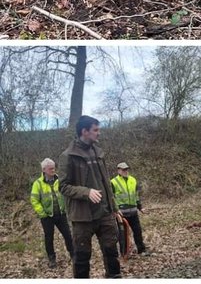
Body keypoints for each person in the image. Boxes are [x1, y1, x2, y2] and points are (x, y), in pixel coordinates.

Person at [59, 115, 122, 280]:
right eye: (95, 130)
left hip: (105, 214)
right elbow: (63, 186)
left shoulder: (98, 152)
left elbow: (106, 183)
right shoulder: (68, 156)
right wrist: (86, 192)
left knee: (111, 253)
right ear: (84, 131)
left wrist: (114, 208)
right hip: (82, 218)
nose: (98, 133)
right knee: (81, 258)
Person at [30, 158, 75, 269]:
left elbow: (67, 193)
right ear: (44, 169)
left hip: (61, 214)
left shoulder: (60, 180)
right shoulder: (38, 184)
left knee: (68, 235)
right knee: (49, 238)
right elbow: (34, 200)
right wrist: (42, 213)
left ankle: (74, 255)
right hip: (47, 217)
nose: (53, 170)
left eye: (54, 167)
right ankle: (52, 259)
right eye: (50, 168)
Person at [110, 163, 147, 255]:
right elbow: (111, 198)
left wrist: (140, 207)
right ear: (118, 170)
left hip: (133, 212)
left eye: (126, 169)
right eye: (123, 170)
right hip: (121, 214)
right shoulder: (113, 182)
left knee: (138, 231)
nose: (125, 171)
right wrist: (114, 210)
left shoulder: (133, 180)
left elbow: (136, 196)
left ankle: (141, 250)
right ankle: (124, 253)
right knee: (124, 235)